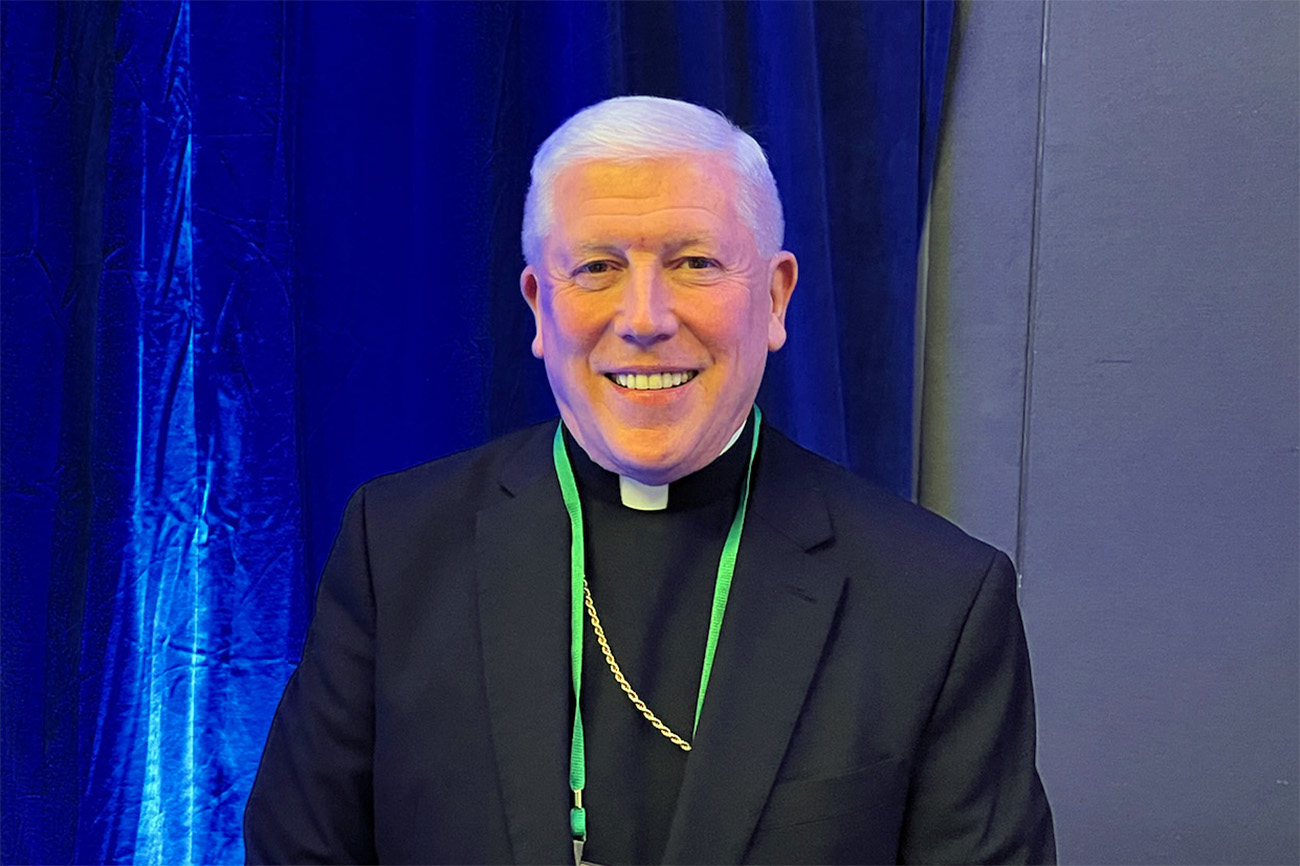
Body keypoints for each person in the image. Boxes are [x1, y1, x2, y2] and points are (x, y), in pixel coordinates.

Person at [244, 95, 1055, 865]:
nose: (644, 318)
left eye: (695, 262)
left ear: (774, 299)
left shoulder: (936, 598)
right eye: (596, 266)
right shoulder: (399, 549)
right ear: (538, 306)